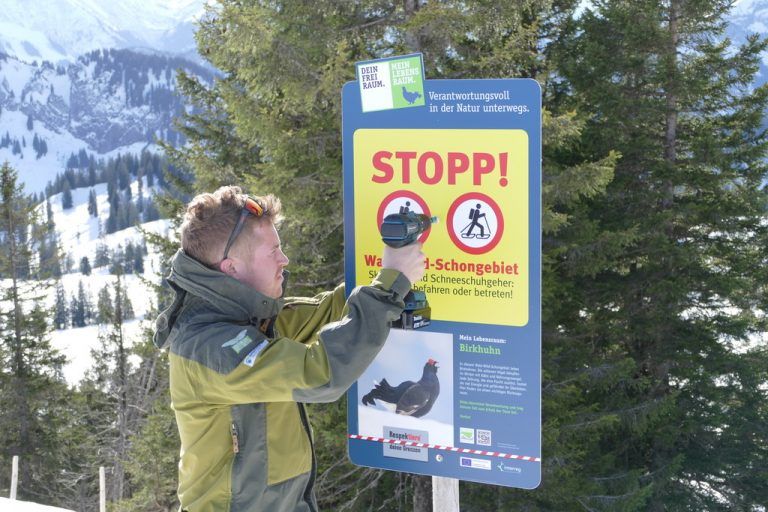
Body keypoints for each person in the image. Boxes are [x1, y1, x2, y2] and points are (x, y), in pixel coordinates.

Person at [153, 186, 425, 512]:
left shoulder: (257, 320)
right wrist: (391, 284)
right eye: (273, 252)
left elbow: (331, 312)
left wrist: (388, 275)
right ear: (231, 268)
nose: (284, 260)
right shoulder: (208, 350)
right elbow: (320, 374)